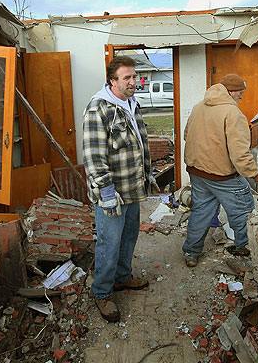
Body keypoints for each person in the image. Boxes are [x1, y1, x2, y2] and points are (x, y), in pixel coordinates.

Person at [82, 56, 158, 322]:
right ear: (112, 81)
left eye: (134, 77)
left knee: (128, 238)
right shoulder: (98, 108)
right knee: (109, 243)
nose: (133, 82)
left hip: (132, 188)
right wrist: (104, 191)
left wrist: (147, 174)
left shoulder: (130, 104)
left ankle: (122, 278)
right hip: (112, 195)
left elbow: (138, 143)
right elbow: (93, 155)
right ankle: (102, 292)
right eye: (127, 78)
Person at [182, 73, 258, 267]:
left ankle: (191, 253)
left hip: (197, 171)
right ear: (229, 92)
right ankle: (246, 248)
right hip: (221, 175)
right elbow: (239, 153)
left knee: (201, 211)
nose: (242, 96)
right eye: (240, 92)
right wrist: (255, 174)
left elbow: (187, 135)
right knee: (243, 210)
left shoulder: (198, 107)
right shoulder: (233, 113)